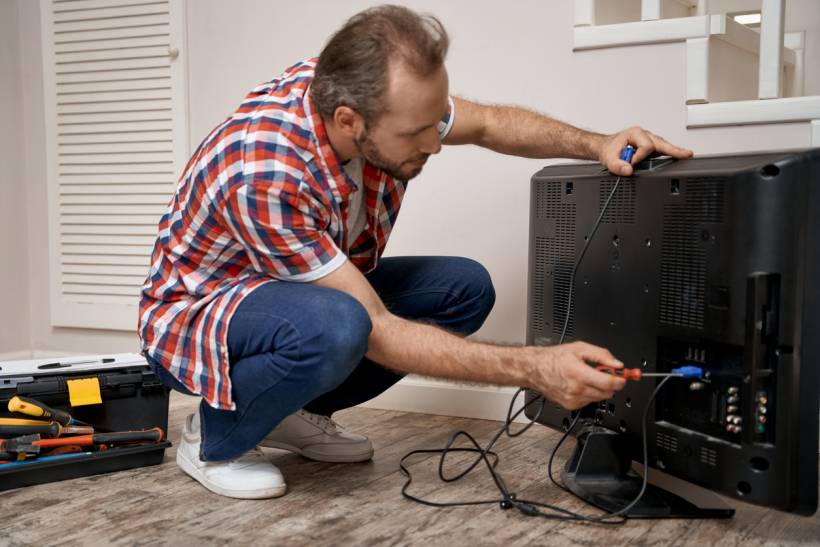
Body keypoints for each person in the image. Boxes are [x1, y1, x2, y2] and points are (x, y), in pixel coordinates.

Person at [139, 4, 694, 499]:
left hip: (290, 294)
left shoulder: (364, 91)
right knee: (339, 326)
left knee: (463, 288)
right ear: (348, 121)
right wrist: (533, 368)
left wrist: (595, 143)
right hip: (198, 315)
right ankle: (215, 435)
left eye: (434, 125)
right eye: (417, 133)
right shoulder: (266, 172)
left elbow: (490, 124)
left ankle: (290, 411)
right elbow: (375, 327)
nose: (434, 143)